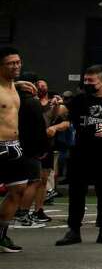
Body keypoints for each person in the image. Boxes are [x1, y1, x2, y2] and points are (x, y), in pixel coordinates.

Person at [56, 64, 102, 247]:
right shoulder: (80, 99)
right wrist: (56, 112)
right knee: (76, 193)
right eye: (85, 80)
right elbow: (67, 118)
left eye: (91, 80)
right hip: (80, 152)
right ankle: (73, 230)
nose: (87, 83)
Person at [0, 48, 38, 252]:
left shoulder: (15, 87)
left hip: (14, 146)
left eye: (18, 62)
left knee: (18, 191)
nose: (16, 66)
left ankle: (1, 235)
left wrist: (16, 83)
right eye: (10, 63)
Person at [12, 72, 51, 229]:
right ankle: (22, 214)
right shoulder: (32, 103)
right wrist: (43, 147)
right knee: (33, 181)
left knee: (16, 183)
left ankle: (18, 213)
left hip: (14, 145)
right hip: (30, 147)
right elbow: (39, 127)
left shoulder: (14, 100)